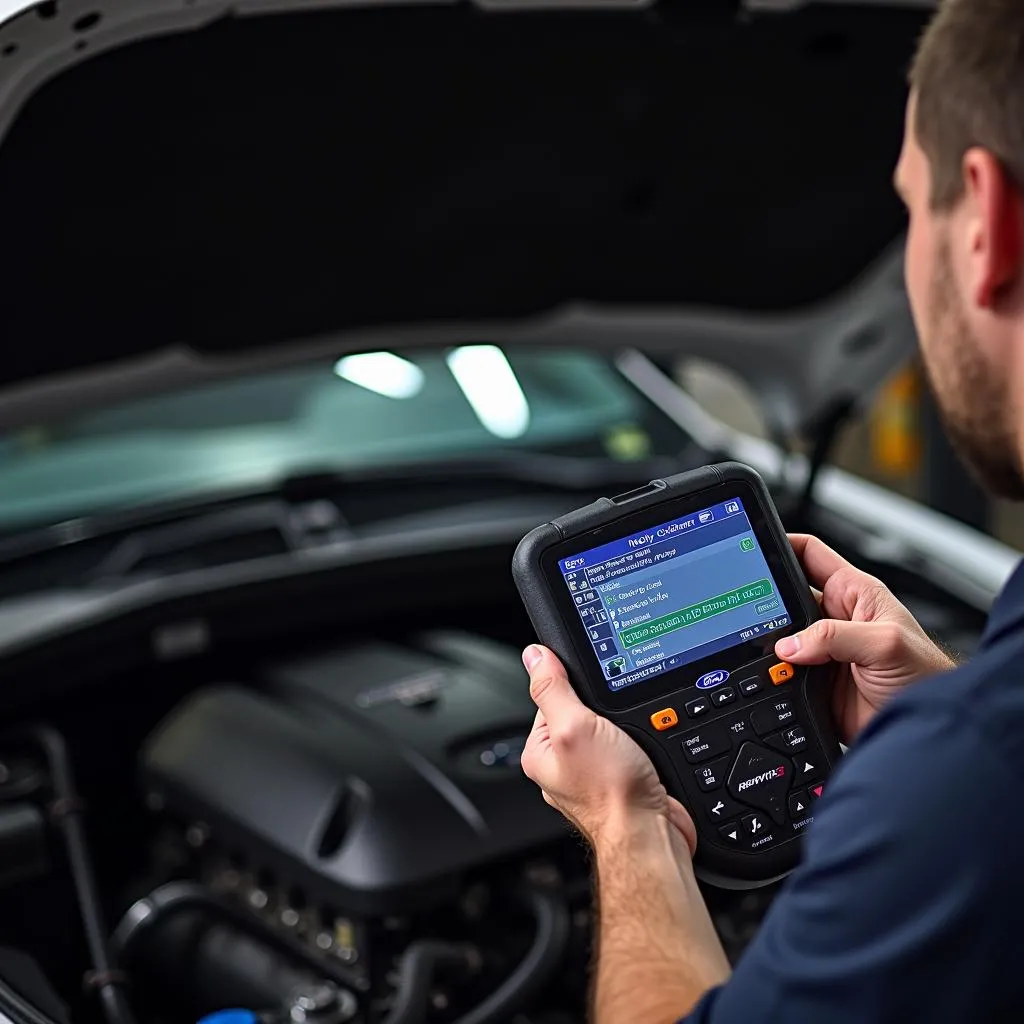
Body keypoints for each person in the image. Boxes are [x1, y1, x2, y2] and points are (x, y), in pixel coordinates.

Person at [519, 1, 1024, 1020]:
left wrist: (629, 828)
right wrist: (940, 711)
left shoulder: (976, 770)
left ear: (986, 220)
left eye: (908, 209)